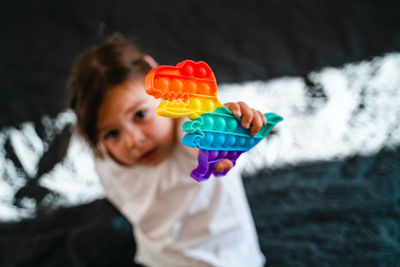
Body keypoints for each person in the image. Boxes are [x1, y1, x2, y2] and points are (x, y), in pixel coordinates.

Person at [68, 33, 266, 267]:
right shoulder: (104, 155)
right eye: (112, 133)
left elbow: (208, 140)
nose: (134, 140)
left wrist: (225, 134)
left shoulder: (188, 126)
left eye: (140, 115)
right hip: (156, 260)